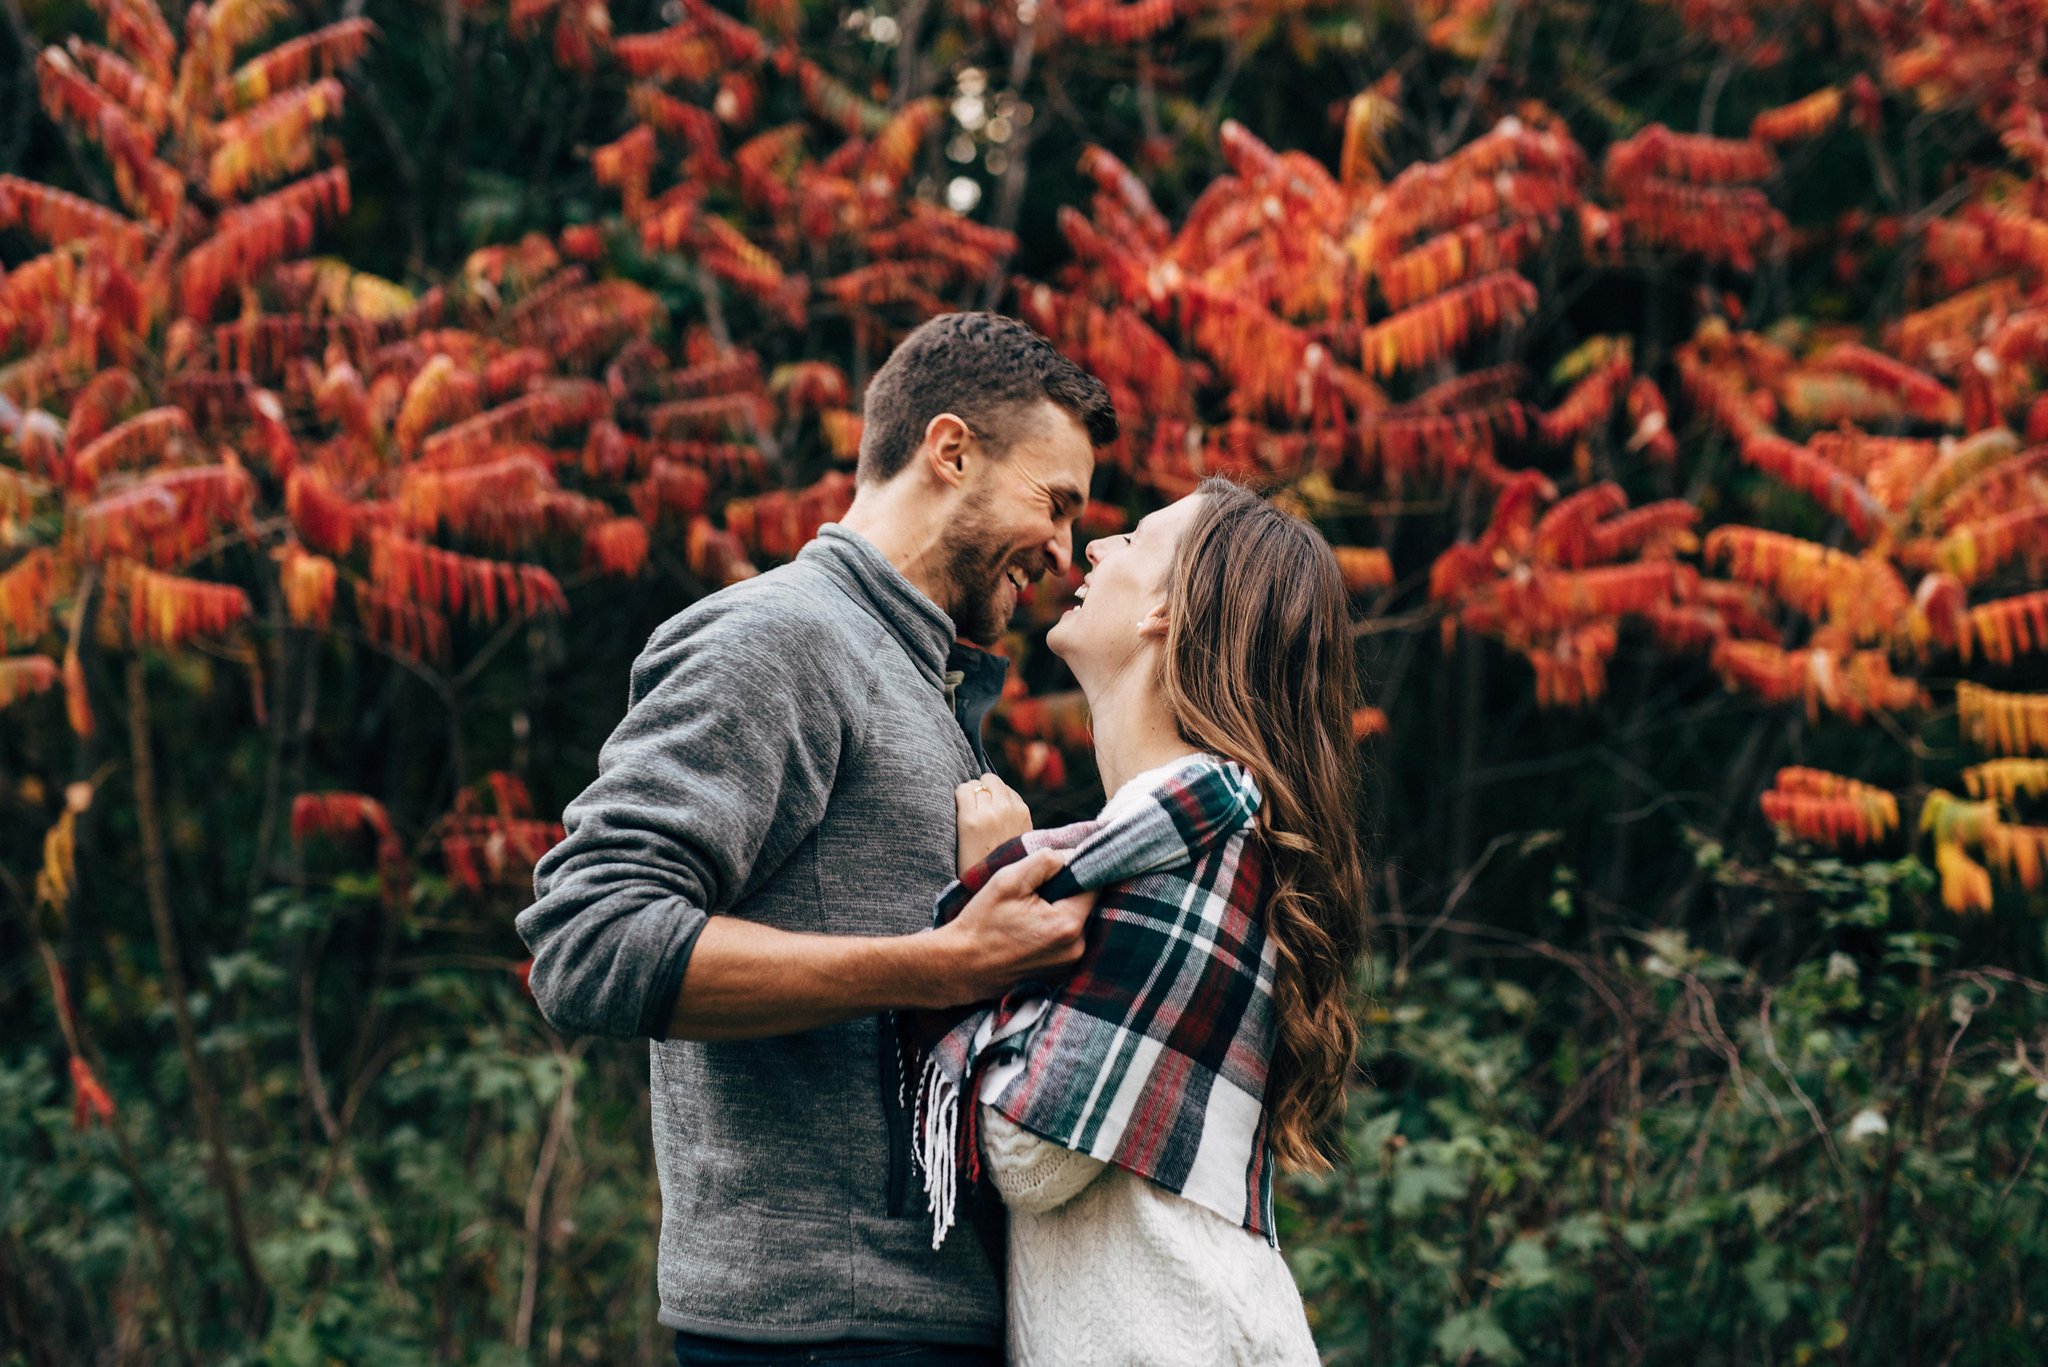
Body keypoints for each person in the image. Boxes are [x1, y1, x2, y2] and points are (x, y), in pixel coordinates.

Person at [514, 311, 1118, 1363]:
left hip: (912, 1313)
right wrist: (938, 963)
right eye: (1054, 502)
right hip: (820, 1328)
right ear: (949, 449)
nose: (1064, 552)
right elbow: (589, 941)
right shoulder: (778, 636)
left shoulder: (919, 675)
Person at [901, 477, 1369, 1365]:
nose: (1093, 550)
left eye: (1133, 541)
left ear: (1166, 610)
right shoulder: (1192, 827)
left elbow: (1030, 1152)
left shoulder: (1193, 814)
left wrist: (988, 886)